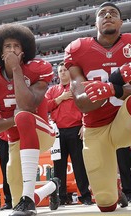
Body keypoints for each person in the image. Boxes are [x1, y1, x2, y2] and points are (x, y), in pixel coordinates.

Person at [64, 2, 131, 215]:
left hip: (125, 121)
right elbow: (82, 102)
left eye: (113, 13)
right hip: (96, 129)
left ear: (121, 22)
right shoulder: (78, 49)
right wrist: (115, 82)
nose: (108, 15)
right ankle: (114, 189)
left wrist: (111, 87)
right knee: (106, 205)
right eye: (102, 13)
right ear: (95, 23)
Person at [0, 23, 60, 216]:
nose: (12, 50)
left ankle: (29, 199)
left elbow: (28, 105)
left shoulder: (37, 68)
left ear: (24, 51)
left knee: (23, 115)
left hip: (41, 132)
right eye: (8, 46)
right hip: (15, 138)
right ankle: (50, 188)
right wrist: (13, 121)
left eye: (17, 46)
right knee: (18, 205)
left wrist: (16, 70)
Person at [45, 62, 92, 205]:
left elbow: (86, 105)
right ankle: (61, 197)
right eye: (60, 71)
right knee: (58, 167)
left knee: (79, 165)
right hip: (57, 133)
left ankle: (85, 196)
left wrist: (85, 124)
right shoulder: (52, 90)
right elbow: (44, 106)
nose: (63, 72)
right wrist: (61, 98)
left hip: (75, 129)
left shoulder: (77, 87)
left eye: (65, 70)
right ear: (57, 74)